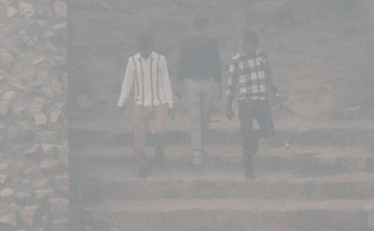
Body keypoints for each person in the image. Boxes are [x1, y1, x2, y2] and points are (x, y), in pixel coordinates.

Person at [118, 32, 174, 175]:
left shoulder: (160, 59)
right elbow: (127, 82)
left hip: (159, 102)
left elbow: (166, 82)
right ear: (138, 47)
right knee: (138, 136)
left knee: (161, 131)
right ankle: (142, 165)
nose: (145, 52)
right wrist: (121, 102)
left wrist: (171, 103)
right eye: (142, 49)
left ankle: (159, 151)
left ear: (151, 46)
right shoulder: (133, 61)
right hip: (140, 104)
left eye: (147, 49)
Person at [225, 29, 275, 181]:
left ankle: (255, 136)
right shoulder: (237, 59)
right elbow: (232, 83)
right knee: (246, 136)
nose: (252, 48)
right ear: (245, 43)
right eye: (250, 44)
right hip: (246, 102)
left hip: (262, 100)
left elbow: (268, 75)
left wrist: (273, 89)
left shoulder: (262, 56)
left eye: (255, 44)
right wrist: (228, 104)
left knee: (269, 132)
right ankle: (249, 169)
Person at [174, 15, 224, 165]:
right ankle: (197, 150)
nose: (204, 30)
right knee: (195, 117)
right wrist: (179, 83)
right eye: (202, 28)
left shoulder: (213, 44)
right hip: (192, 83)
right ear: (196, 29)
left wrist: (219, 84)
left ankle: (201, 145)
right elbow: (182, 63)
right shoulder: (187, 44)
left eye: (206, 27)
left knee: (205, 117)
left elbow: (217, 64)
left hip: (208, 82)